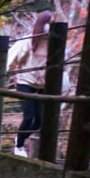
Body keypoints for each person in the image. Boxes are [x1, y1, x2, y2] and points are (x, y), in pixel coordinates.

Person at [7, 11, 53, 157]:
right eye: (47, 23)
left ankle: (20, 139)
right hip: (25, 81)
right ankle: (19, 146)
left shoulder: (55, 43)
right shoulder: (28, 41)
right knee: (29, 117)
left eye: (52, 24)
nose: (49, 27)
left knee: (39, 120)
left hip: (42, 84)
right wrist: (13, 73)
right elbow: (12, 59)